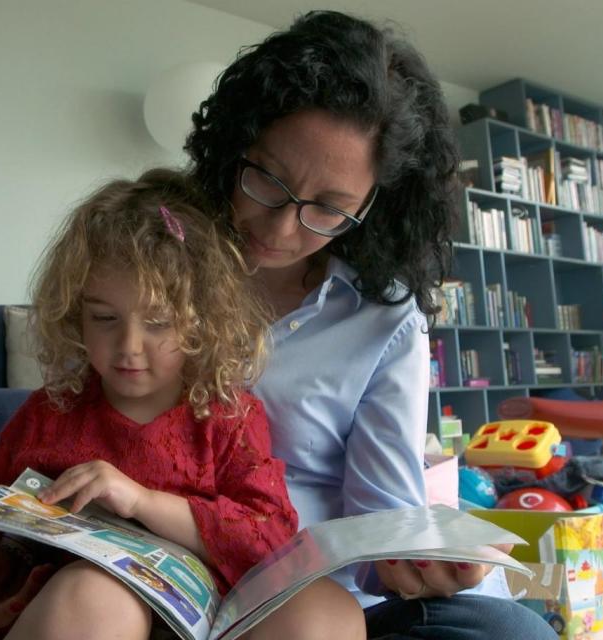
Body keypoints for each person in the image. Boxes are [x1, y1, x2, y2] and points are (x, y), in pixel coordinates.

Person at [181, 10, 559, 640]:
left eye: (328, 209)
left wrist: (412, 561)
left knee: (511, 633)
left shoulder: (383, 318)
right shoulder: (164, 266)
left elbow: (383, 513)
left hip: (318, 590)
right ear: (235, 145)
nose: (280, 229)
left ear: (375, 206)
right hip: (180, 559)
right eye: (267, 180)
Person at [0, 169, 304, 639]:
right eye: (104, 318)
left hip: (143, 619)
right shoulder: (52, 409)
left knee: (95, 596)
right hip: (26, 598)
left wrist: (140, 500)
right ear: (75, 314)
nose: (129, 346)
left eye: (159, 322)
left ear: (201, 323)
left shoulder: (225, 416)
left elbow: (266, 537)